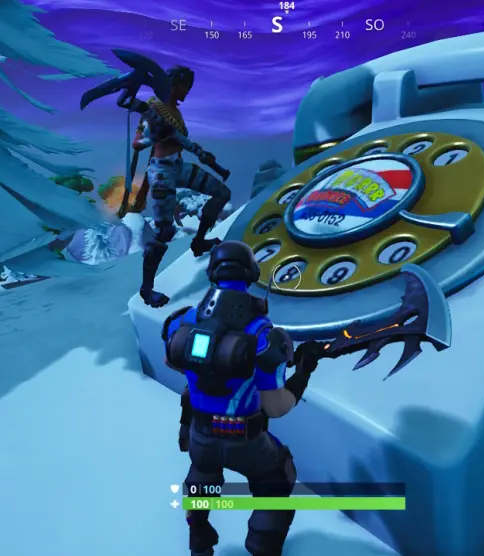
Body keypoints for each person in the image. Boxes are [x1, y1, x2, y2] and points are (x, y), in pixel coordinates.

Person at [162, 241, 321, 556]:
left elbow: (172, 362)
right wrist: (303, 373)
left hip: (200, 435)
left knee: (202, 475)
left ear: (212, 273)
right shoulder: (263, 335)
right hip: (246, 442)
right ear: (251, 273)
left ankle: (198, 539)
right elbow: (276, 407)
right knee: (278, 477)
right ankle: (261, 546)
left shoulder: (182, 321)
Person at [132, 65, 231, 308]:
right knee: (164, 232)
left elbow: (181, 141)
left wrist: (202, 154)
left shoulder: (175, 111)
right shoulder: (154, 108)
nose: (187, 92)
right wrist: (157, 135)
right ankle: (146, 289)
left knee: (221, 193)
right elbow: (138, 144)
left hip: (178, 166)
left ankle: (199, 242)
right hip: (162, 172)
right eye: (186, 86)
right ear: (174, 83)